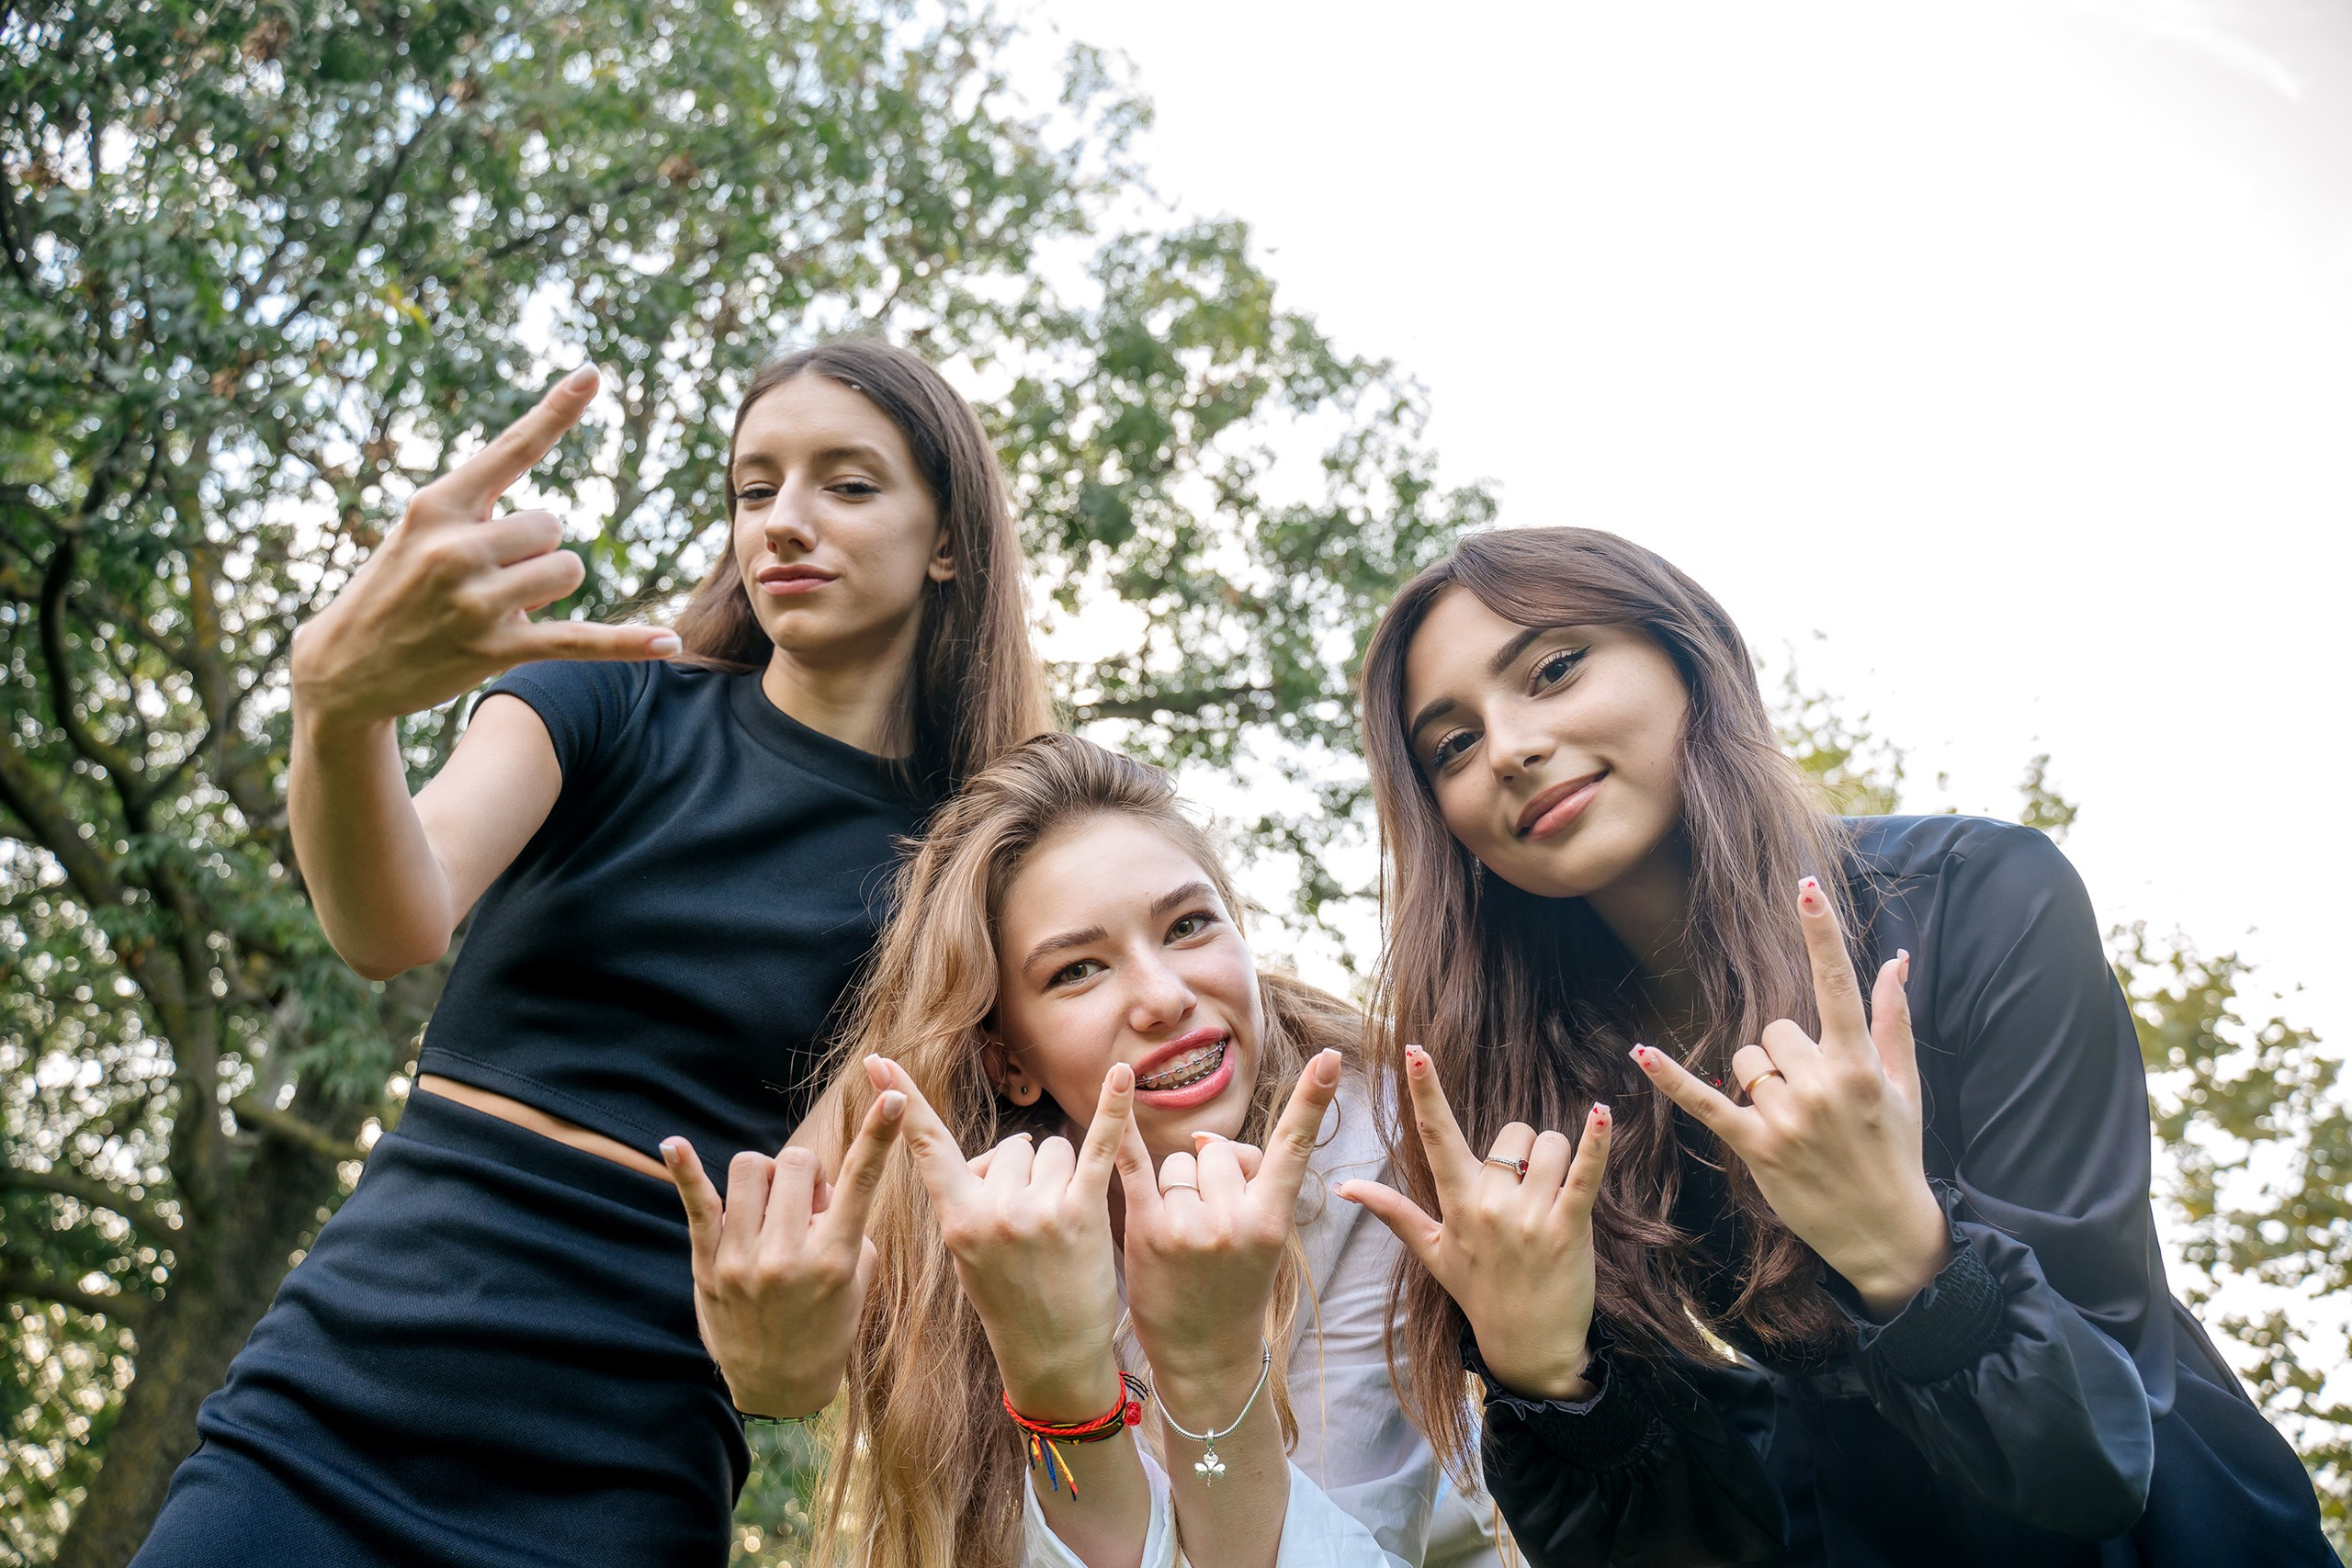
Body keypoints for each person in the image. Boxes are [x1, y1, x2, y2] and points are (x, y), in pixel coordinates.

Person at [134, 342, 1051, 1566]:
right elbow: (391, 917)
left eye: (847, 483)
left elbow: (814, 1255)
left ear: (948, 538)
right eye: (754, 486)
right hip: (334, 1400)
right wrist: (340, 708)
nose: (783, 521)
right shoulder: (606, 697)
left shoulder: (964, 865)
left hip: (620, 1475)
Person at [1338, 526, 2336, 1567]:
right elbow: (1690, 1545)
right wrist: (1555, 1384)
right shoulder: (1535, 1082)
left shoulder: (1983, 897)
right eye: (1450, 745)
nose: (1507, 747)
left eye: (1552, 669)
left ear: (1686, 655)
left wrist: (1903, 1251)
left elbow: (2093, 1459)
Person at [676, 733, 1511, 1567]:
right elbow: (779, 1354)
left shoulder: (1368, 1150)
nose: (1163, 996)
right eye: (1077, 970)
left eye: (1188, 924)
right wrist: (1054, 1378)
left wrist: (1206, 1366)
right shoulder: (967, 1214)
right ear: (1009, 1061)